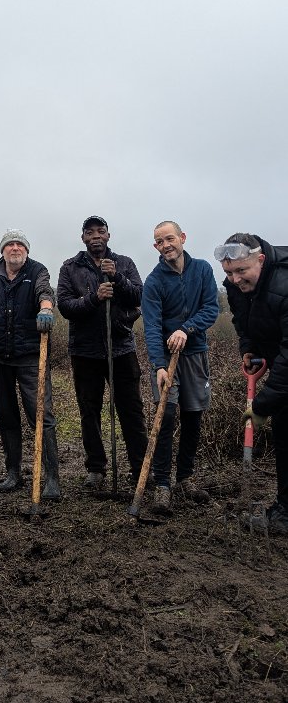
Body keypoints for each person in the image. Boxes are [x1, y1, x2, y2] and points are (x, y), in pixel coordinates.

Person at [0, 229, 60, 500]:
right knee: (6, 414)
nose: (15, 248)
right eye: (10, 244)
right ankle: (13, 473)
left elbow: (45, 290)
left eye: (20, 244)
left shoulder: (37, 270)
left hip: (30, 355)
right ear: (2, 250)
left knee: (41, 414)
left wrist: (45, 308)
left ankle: (52, 477)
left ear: (27, 250)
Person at [57, 215, 148, 490]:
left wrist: (118, 278)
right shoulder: (69, 268)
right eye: (90, 232)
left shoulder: (125, 263)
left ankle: (141, 469)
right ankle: (96, 468)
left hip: (121, 347)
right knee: (89, 411)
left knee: (131, 410)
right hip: (85, 351)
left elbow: (139, 296)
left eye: (101, 231)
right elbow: (65, 306)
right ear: (83, 238)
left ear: (108, 235)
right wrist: (94, 298)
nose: (95, 236)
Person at [141, 220, 218, 516]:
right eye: (159, 242)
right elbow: (151, 325)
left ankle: (185, 478)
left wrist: (187, 329)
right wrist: (159, 366)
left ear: (182, 238)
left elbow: (211, 308)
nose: (166, 245)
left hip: (195, 354)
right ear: (155, 247)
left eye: (169, 238)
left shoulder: (202, 270)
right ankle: (162, 484)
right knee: (166, 417)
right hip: (165, 361)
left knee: (193, 416)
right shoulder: (154, 281)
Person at [216, 233, 288, 535]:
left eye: (241, 271)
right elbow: (243, 321)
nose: (234, 279)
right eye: (229, 272)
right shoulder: (239, 286)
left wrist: (261, 406)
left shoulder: (284, 286)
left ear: (260, 260)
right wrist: (249, 347)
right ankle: (284, 510)